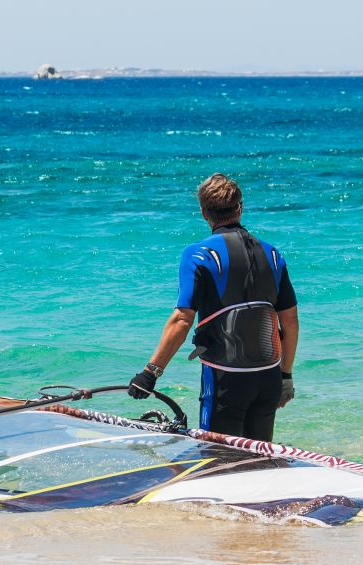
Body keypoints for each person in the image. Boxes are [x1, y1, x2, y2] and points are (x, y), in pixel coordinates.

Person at [128, 173, 299, 442]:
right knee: (258, 460)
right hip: (268, 377)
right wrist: (286, 376)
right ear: (240, 208)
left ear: (203, 212)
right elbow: (289, 321)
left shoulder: (198, 254)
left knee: (216, 460)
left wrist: (151, 373)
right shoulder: (273, 253)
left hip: (225, 381)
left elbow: (182, 320)